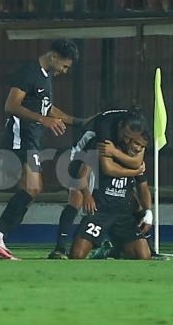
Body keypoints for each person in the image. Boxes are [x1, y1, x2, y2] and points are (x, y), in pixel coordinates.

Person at [0, 39, 85, 261]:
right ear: (54, 56)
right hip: (21, 137)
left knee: (30, 190)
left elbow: (48, 108)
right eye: (64, 66)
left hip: (32, 140)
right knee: (33, 187)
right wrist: (42, 120)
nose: (64, 71)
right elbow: (11, 105)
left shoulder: (45, 77)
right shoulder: (29, 72)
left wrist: (78, 122)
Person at [47, 108, 145, 259]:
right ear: (120, 126)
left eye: (132, 138)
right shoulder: (104, 130)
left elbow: (138, 161)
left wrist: (129, 162)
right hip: (83, 154)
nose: (128, 141)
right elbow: (107, 168)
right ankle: (60, 248)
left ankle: (130, 245)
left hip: (107, 159)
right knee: (77, 196)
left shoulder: (138, 129)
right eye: (126, 136)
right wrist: (135, 171)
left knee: (132, 201)